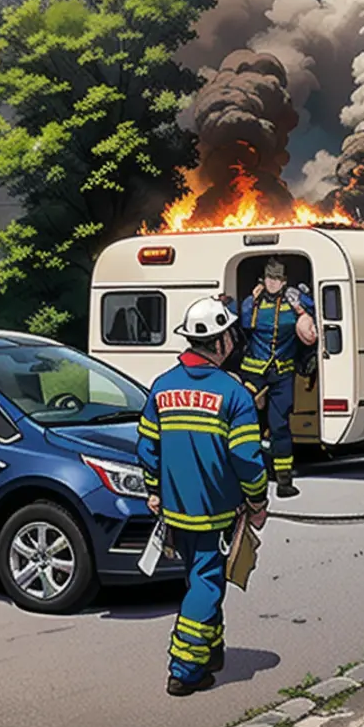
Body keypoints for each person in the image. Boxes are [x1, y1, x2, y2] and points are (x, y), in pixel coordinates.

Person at [136, 295, 270, 697]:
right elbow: (247, 458)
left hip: (176, 511)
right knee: (207, 585)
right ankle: (184, 669)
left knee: (199, 579)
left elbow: (147, 447)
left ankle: (211, 652)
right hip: (216, 512)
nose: (233, 341)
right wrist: (259, 501)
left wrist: (154, 491)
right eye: (230, 334)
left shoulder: (162, 387)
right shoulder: (235, 395)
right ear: (219, 341)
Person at [239, 258, 315, 498]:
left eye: (278, 279)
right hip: (253, 373)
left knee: (280, 424)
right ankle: (250, 476)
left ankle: (284, 481)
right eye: (270, 278)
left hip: (282, 374)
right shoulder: (252, 302)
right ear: (264, 279)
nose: (274, 283)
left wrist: (301, 307)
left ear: (284, 281)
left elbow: (315, 318)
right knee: (247, 423)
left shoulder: (295, 300)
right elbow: (243, 324)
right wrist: (248, 301)